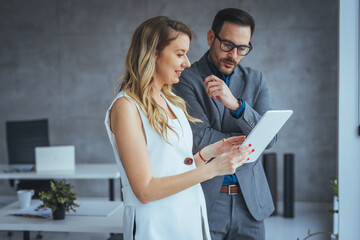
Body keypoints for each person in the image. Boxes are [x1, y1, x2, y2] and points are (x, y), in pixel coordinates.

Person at [104, 16, 253, 240]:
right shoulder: (126, 107)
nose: (187, 63)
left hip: (189, 217)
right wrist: (214, 169)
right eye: (180, 54)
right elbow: (145, 191)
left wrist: (209, 153)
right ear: (154, 54)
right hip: (153, 226)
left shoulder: (172, 101)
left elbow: (176, 167)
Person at [173, 8, 276, 240]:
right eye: (227, 45)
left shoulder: (256, 79)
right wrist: (251, 137)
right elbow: (197, 139)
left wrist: (237, 106)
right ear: (211, 37)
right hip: (208, 197)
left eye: (242, 48)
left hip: (250, 202)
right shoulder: (185, 79)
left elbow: (268, 140)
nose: (234, 55)